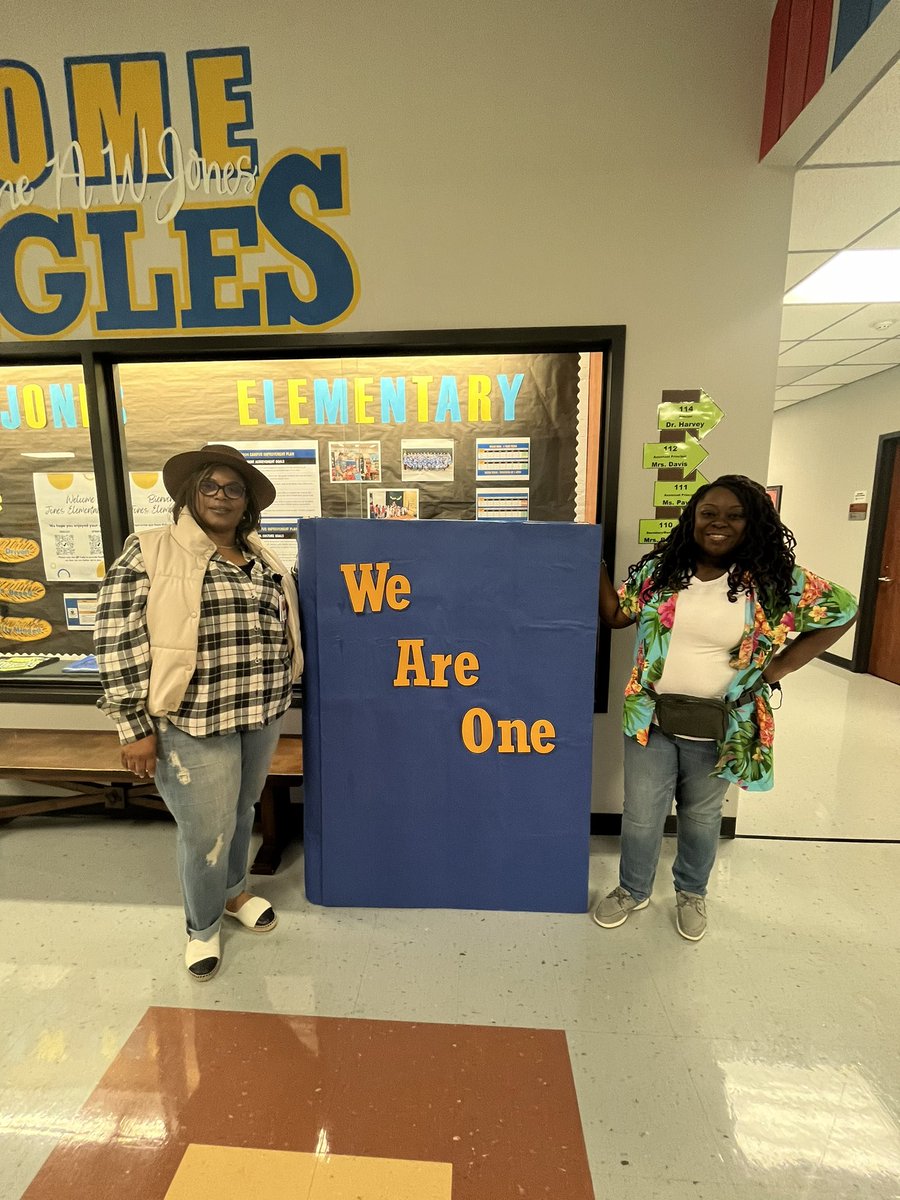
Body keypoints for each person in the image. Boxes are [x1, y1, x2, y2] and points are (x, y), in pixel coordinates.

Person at [594, 474, 857, 941]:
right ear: (693, 519)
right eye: (709, 513)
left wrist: (777, 670)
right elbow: (617, 616)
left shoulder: (777, 583)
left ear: (752, 523)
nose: (719, 523)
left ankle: (691, 892)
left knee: (700, 816)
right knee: (640, 814)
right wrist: (589, 562)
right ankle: (632, 889)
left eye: (734, 515)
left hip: (724, 722)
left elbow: (845, 610)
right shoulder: (661, 571)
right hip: (649, 718)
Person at [94, 445, 303, 980]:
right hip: (189, 720)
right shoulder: (149, 551)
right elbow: (118, 641)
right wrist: (133, 726)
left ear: (248, 503)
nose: (222, 496)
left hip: (259, 711)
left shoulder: (262, 559)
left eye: (235, 489)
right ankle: (203, 925)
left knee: (241, 812)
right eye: (210, 485)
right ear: (190, 494)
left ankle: (234, 893)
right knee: (203, 828)